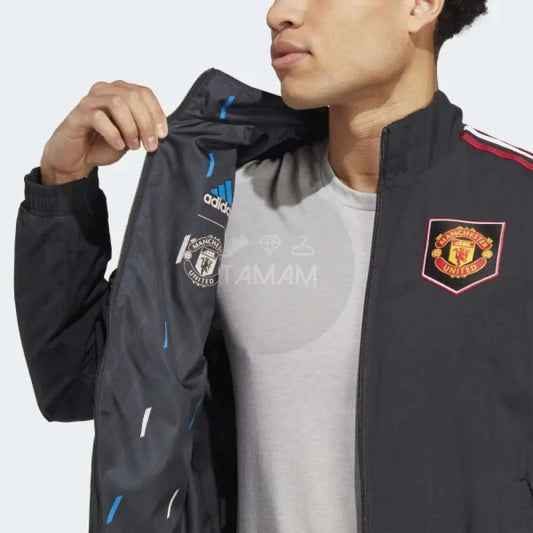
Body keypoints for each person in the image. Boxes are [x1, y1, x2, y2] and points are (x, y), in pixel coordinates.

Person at [15, 1, 533, 532]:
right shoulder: (220, 205)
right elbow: (81, 381)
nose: (279, 12)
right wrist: (64, 184)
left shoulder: (520, 208)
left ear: (420, 6)